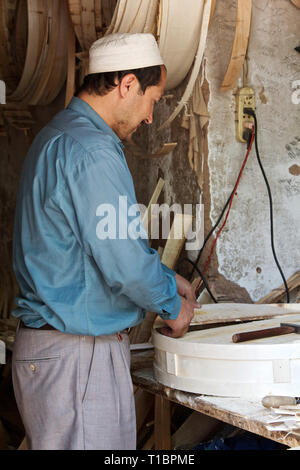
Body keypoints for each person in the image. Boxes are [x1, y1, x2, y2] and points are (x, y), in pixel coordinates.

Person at [11, 33, 199, 450]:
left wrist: (165, 276)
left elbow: (90, 247)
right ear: (126, 84)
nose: (151, 116)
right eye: (153, 99)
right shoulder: (93, 151)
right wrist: (172, 303)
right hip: (77, 357)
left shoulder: (57, 136)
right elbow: (123, 262)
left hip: (56, 352)